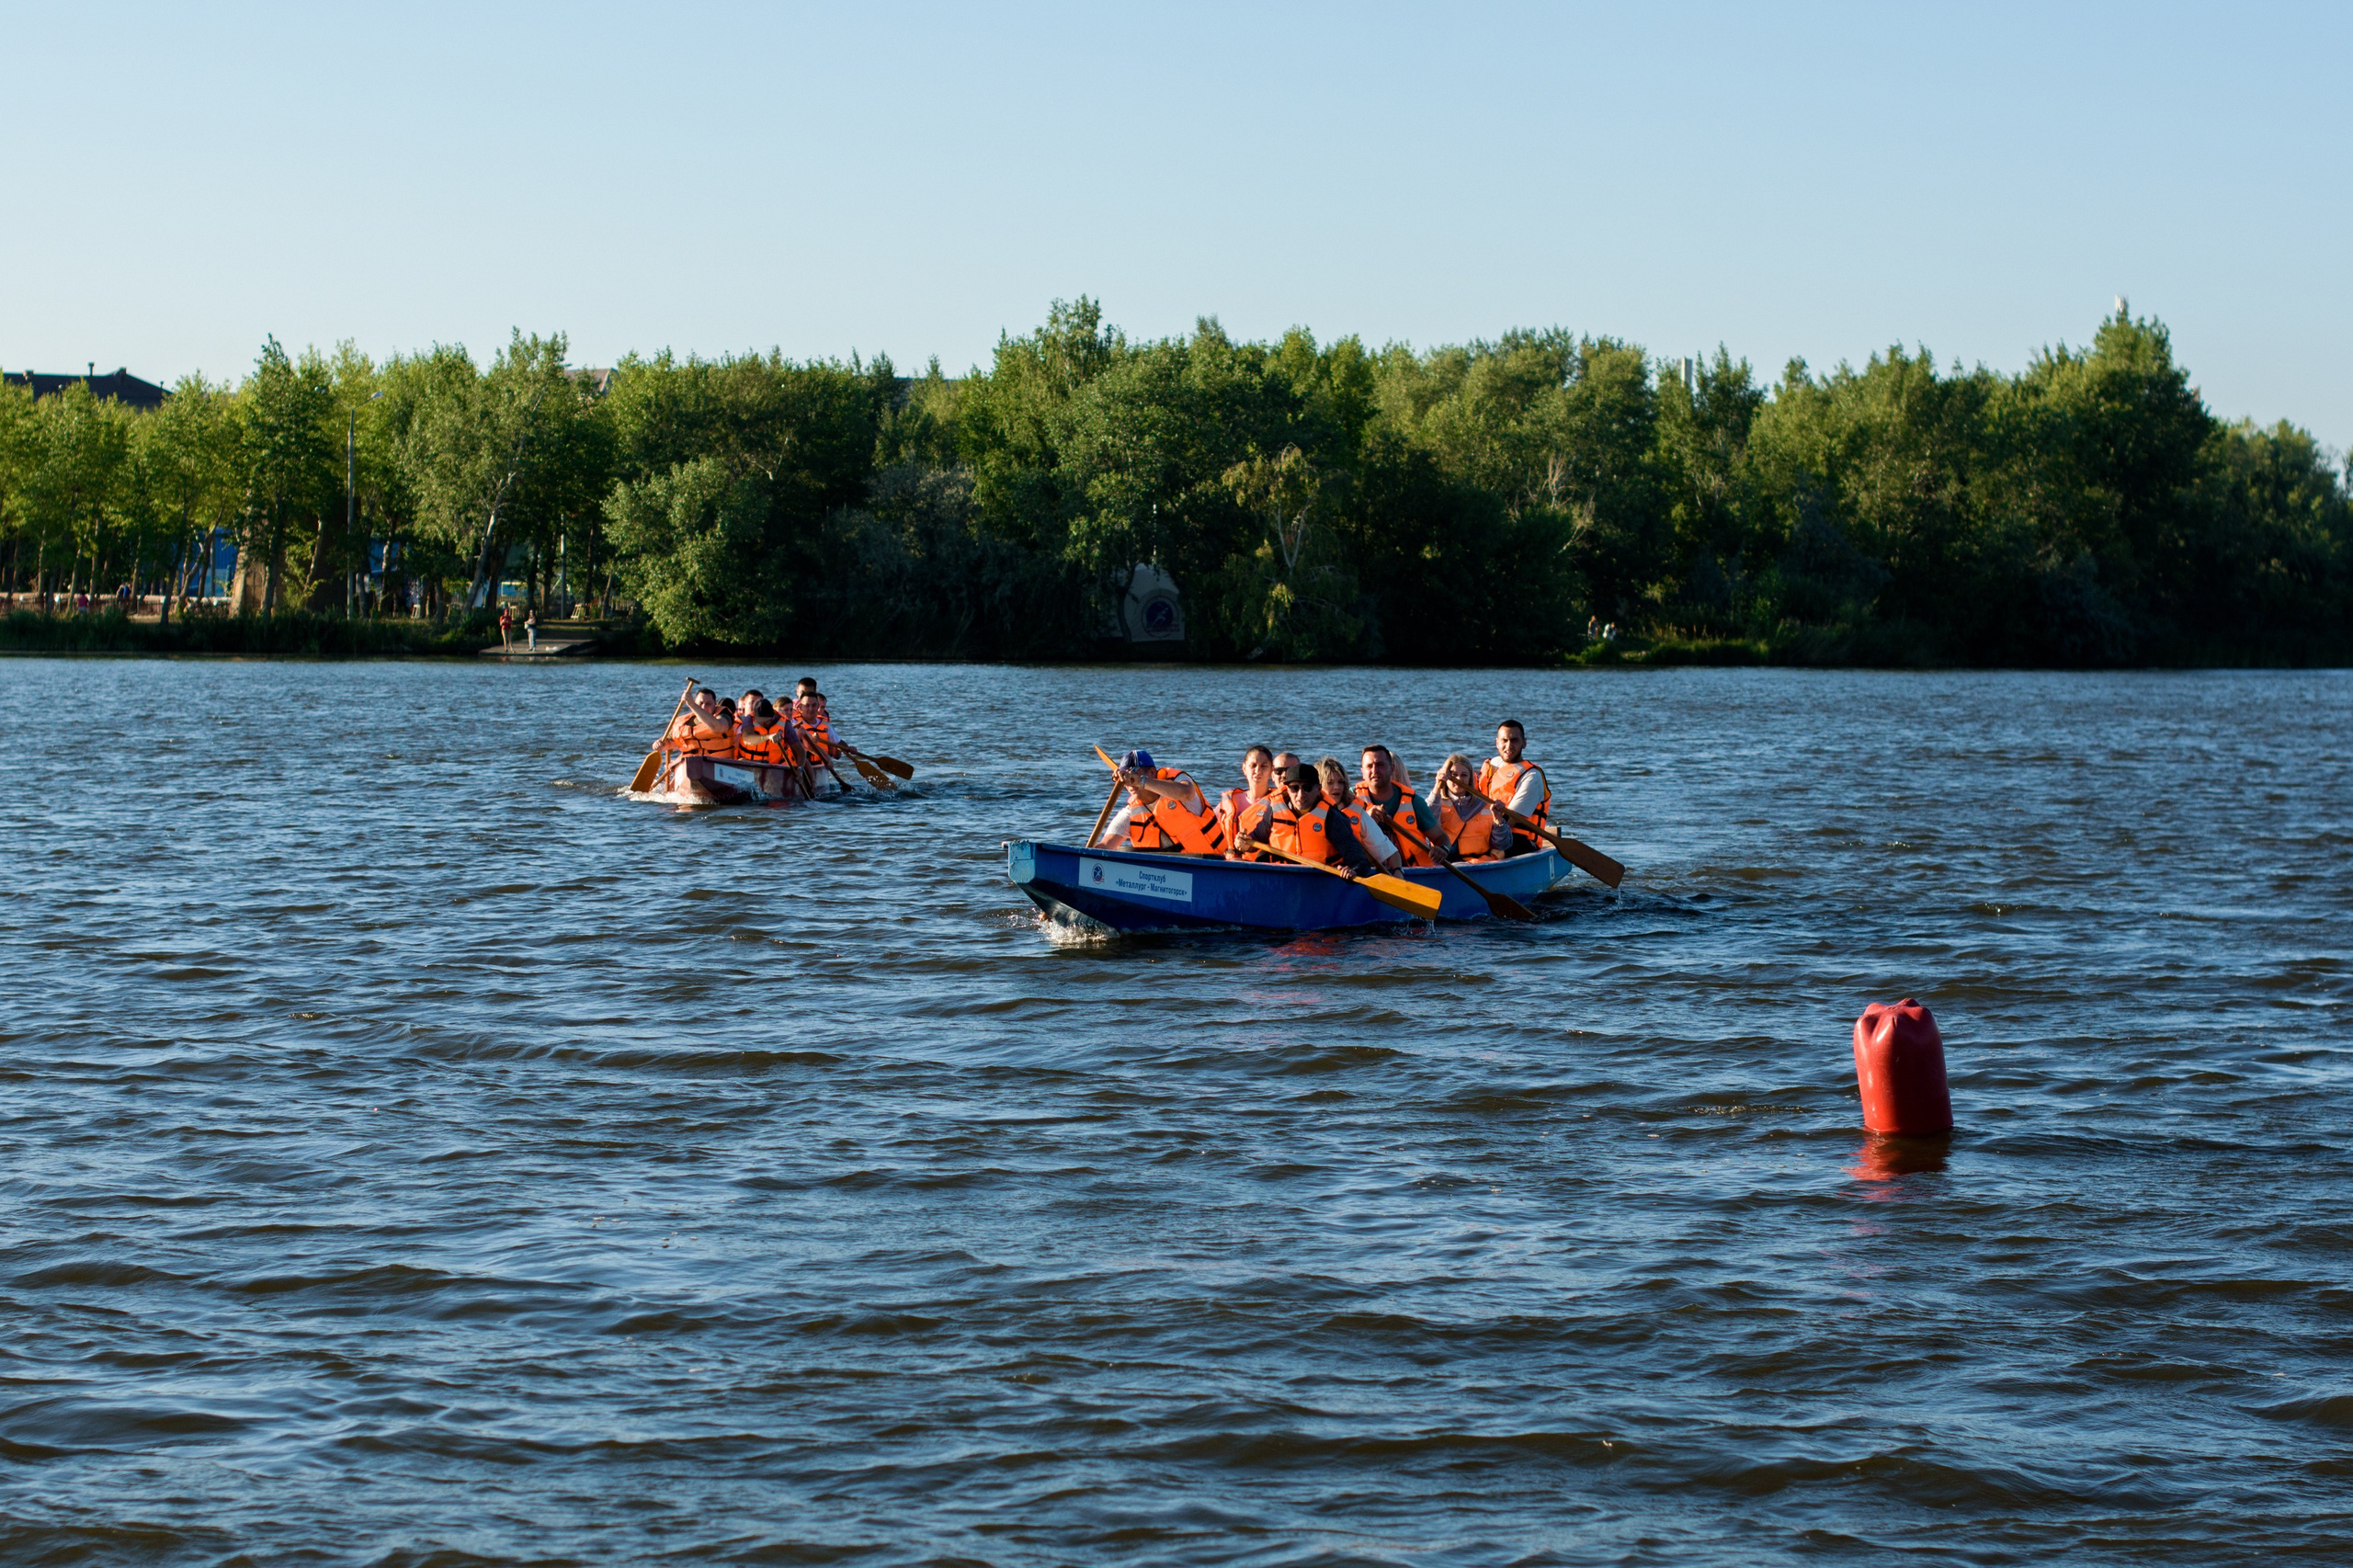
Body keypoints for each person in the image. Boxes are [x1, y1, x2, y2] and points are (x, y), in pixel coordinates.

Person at [1229, 762, 1380, 877]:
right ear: (1287, 789)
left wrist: (1352, 871)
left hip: (1319, 881)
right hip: (1282, 878)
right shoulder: (1273, 812)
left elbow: (1359, 862)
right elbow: (1256, 839)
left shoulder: (1332, 818)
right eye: (1295, 788)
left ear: (1318, 789)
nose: (1300, 795)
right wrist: (1244, 843)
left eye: (1307, 788)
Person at [1098, 749, 1228, 854]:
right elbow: (1106, 845)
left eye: (1133, 773)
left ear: (1152, 772)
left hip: (1214, 864)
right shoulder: (1130, 813)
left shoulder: (1178, 786)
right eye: (1125, 777)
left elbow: (1186, 793)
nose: (1129, 782)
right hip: (1167, 874)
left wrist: (1139, 781)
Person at [1354, 744, 1441, 868]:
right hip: (1368, 870)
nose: (1375, 771)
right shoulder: (1350, 798)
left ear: (1392, 769)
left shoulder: (1414, 801)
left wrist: (1442, 849)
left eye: (1380, 765)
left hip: (1411, 871)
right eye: (1369, 766)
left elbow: (1440, 837)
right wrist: (1365, 820)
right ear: (1362, 772)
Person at [1476, 720, 1552, 856]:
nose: (1509, 746)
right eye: (1504, 740)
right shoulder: (1493, 765)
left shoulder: (1532, 776)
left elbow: (1510, 821)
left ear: (1524, 743)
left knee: (1491, 850)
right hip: (1488, 830)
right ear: (1497, 742)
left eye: (1514, 740)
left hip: (1518, 839)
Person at [1318, 756, 1401, 871]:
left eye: (1340, 782)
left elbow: (1390, 853)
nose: (1337, 787)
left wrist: (1398, 871)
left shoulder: (1357, 814)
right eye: (1330, 783)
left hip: (1350, 874)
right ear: (1318, 786)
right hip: (1314, 872)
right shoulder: (1307, 811)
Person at [1431, 753, 1506, 861]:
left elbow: (1502, 844)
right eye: (1454, 774)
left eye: (1464, 775)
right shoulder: (1436, 803)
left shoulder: (1485, 805)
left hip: (1478, 863)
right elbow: (1427, 827)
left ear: (1470, 779)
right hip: (1445, 862)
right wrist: (1437, 786)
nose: (1459, 779)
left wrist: (1499, 820)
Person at [1216, 745, 1277, 842]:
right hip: (1229, 851)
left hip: (1260, 852)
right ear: (1244, 768)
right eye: (1253, 765)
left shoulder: (1277, 803)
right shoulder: (1229, 801)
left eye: (1263, 766)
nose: (1258, 771)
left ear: (1271, 770)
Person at [666, 687, 736, 758]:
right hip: (691, 761)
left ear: (715, 704)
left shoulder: (724, 715)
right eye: (700, 703)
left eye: (708, 704)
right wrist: (661, 744)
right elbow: (670, 742)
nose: (704, 707)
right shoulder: (684, 721)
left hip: (719, 761)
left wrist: (692, 705)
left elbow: (718, 727)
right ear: (695, 702)